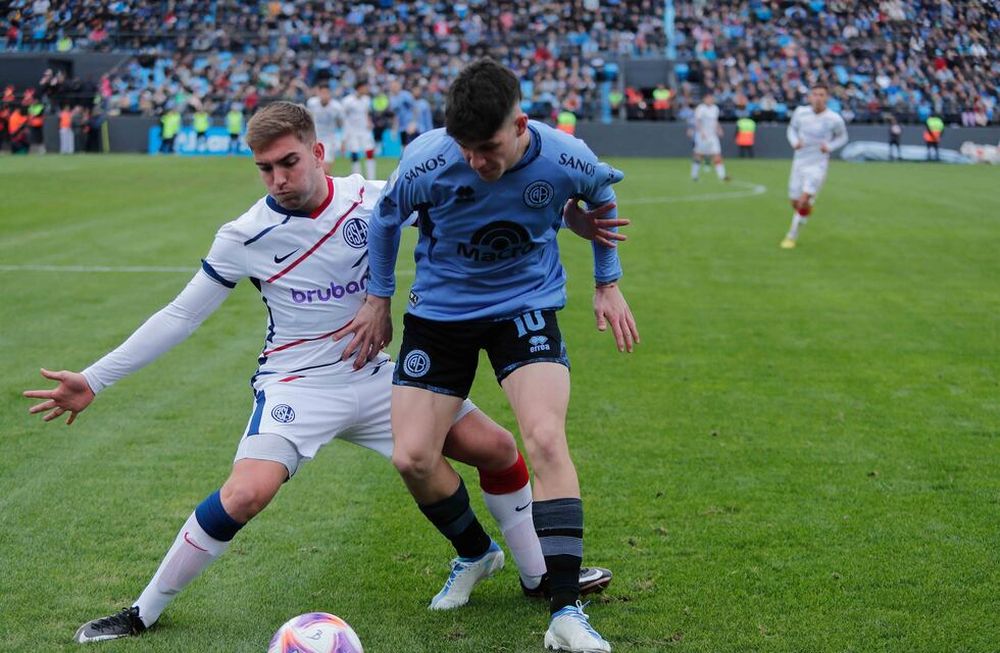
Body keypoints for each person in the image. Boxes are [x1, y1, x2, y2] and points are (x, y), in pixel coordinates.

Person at [23, 101, 621, 644]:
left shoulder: (373, 197)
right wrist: (94, 379)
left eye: (288, 163)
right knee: (245, 493)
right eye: (265, 169)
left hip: (379, 377)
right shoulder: (244, 235)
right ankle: (141, 612)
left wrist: (571, 219)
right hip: (297, 386)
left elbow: (472, 200)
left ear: (318, 152)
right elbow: (181, 315)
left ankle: (533, 575)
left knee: (495, 449)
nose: (278, 180)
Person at [336, 59, 639, 653]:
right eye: (466, 147)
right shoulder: (428, 158)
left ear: (520, 123)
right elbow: (386, 219)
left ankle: (565, 612)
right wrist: (378, 299)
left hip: (525, 306)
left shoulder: (565, 154)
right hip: (440, 314)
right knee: (413, 458)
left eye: (489, 147)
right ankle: (478, 554)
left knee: (546, 439)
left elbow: (600, 193)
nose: (477, 160)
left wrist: (608, 280)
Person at [780, 83, 848, 249]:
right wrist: (795, 142)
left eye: (821, 95)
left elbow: (842, 137)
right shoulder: (800, 113)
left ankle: (791, 236)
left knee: (803, 200)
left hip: (818, 165)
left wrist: (829, 147)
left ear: (827, 98)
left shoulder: (834, 119)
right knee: (795, 202)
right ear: (809, 97)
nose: (818, 98)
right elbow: (792, 129)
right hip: (799, 162)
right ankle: (806, 209)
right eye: (815, 94)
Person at [340, 80, 377, 179]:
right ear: (359, 88)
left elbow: (366, 113)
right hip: (352, 131)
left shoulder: (367, 100)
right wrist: (345, 136)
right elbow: (344, 117)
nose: (367, 89)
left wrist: (369, 122)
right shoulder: (347, 101)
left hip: (365, 130)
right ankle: (357, 178)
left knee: (369, 152)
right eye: (365, 87)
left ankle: (371, 178)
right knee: (355, 154)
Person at [691, 91, 729, 181]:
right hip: (702, 135)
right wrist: (701, 132)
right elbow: (697, 121)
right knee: (699, 155)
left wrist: (719, 129)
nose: (710, 100)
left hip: (713, 135)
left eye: (711, 98)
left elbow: (715, 121)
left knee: (717, 154)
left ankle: (722, 176)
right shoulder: (701, 108)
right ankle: (694, 175)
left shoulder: (715, 108)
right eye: (708, 98)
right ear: (704, 99)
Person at [305, 84, 343, 172]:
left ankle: (327, 185)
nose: (324, 95)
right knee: (314, 168)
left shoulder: (336, 107)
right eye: (322, 92)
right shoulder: (312, 103)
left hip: (329, 140)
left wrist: (341, 140)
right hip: (315, 138)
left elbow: (340, 124)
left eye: (326, 93)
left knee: (325, 170)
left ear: (330, 94)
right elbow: (307, 119)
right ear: (318, 93)